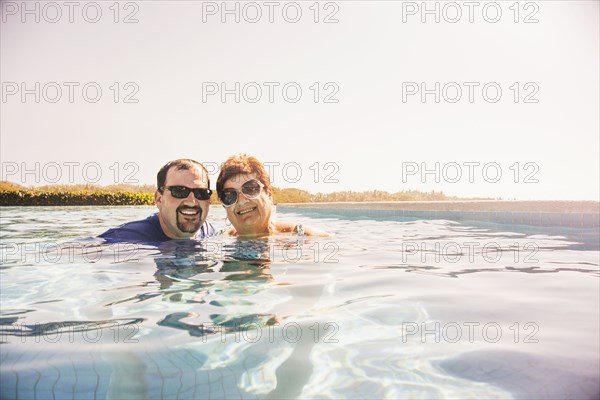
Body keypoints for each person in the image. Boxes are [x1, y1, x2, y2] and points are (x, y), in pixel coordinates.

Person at [99, 159, 215, 243]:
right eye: (179, 191)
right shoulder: (125, 238)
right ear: (159, 199)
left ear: (208, 200)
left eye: (201, 193)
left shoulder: (207, 230)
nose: (191, 202)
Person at [216, 154, 325, 237]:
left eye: (250, 189)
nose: (242, 200)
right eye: (230, 196)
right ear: (225, 207)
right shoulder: (219, 240)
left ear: (268, 194)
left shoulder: (303, 237)